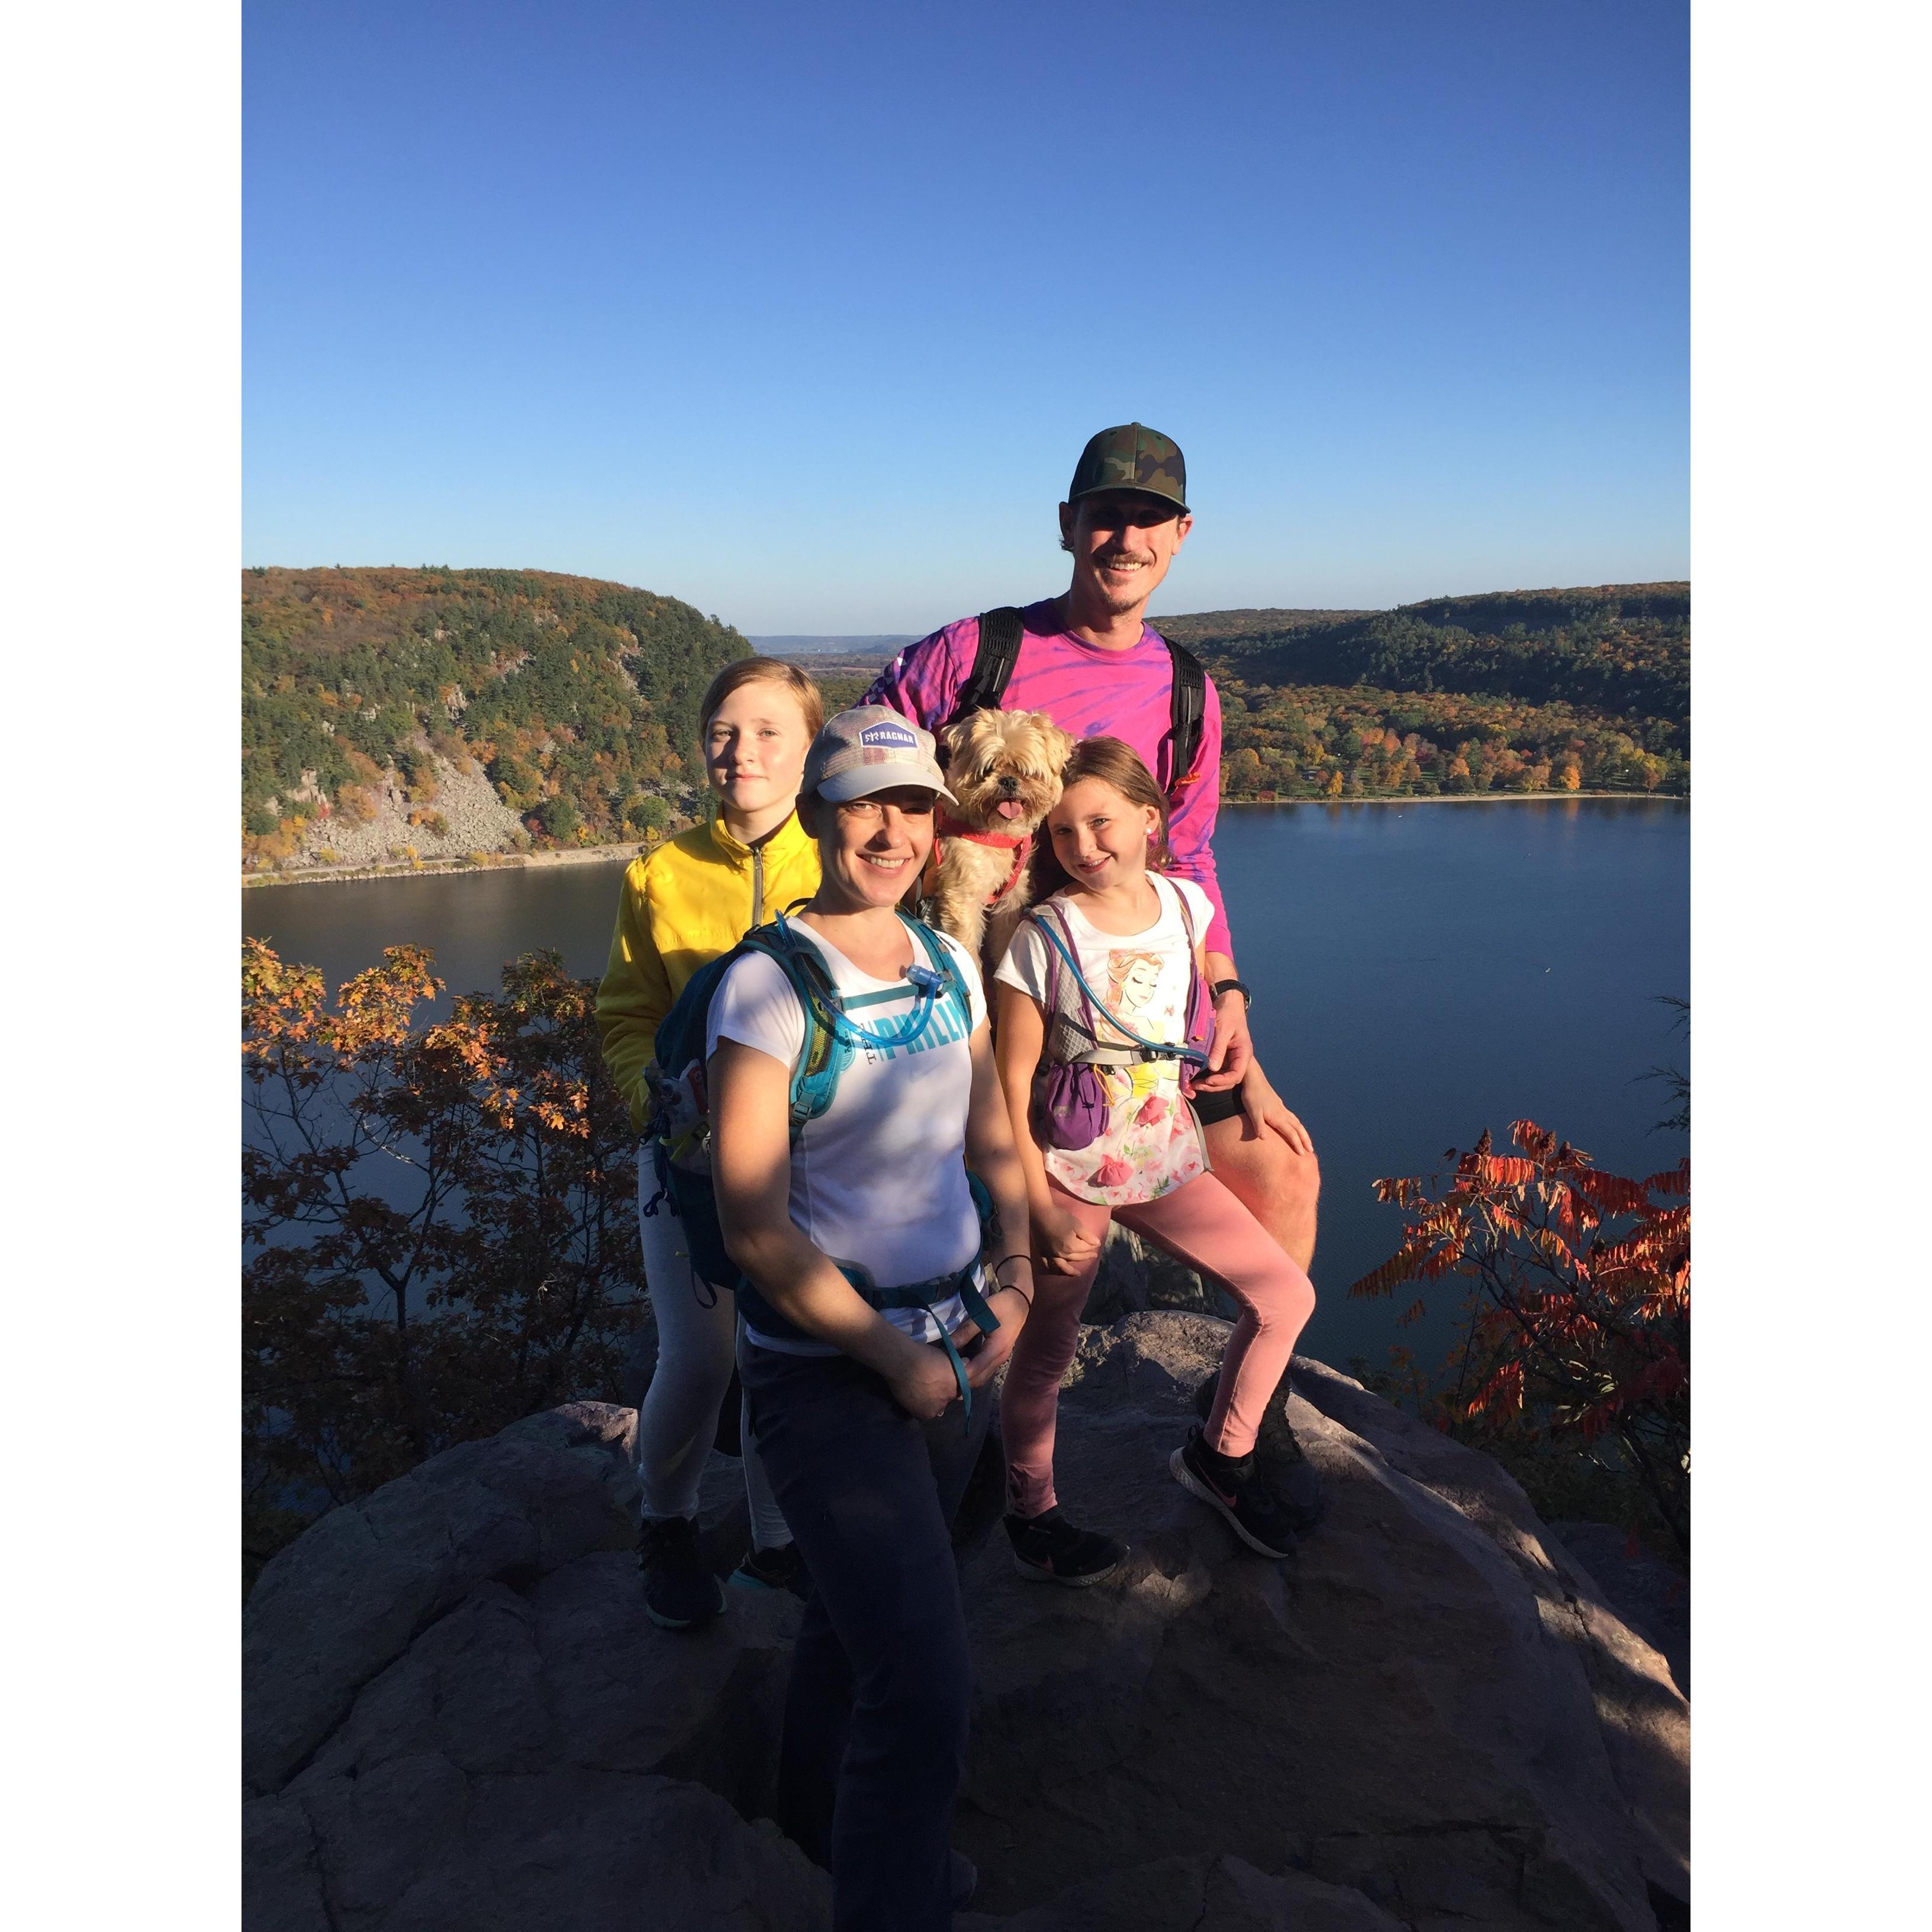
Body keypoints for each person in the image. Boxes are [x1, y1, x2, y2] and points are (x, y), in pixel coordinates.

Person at [707, 706, 1035, 1931]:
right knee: (926, 1685)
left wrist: (1012, 1268)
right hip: (831, 1377)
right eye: (864, 804)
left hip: (955, 1355)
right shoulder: (768, 987)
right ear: (819, 816)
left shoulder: (947, 965)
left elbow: (989, 1134)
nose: (891, 831)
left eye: (913, 807)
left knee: (860, 1629)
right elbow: (753, 1230)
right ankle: (896, 1899)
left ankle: (810, 1834)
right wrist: (892, 1358)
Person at [864, 421, 1321, 1290]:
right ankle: (995, 1410)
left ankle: (1244, 1414)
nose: (1127, 539)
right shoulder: (975, 655)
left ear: (1181, 535)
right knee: (1022, 1248)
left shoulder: (1187, 692)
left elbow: (1188, 858)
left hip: (1132, 1017)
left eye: (1151, 519)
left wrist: (1228, 997)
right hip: (987, 1016)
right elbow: (861, 759)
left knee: (1283, 1172)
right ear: (1068, 523)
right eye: (1108, 515)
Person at [993, 738, 1318, 1566]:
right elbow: (1009, 1081)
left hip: (1164, 1157)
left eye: (1101, 823)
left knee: (1284, 1297)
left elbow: (1210, 977)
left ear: (1149, 817)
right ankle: (1030, 1510)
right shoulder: (1043, 932)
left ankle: (1222, 1456)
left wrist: (1256, 1067)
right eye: (1062, 833)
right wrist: (1033, 1205)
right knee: (1049, 1347)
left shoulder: (1185, 906)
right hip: (1070, 1168)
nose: (1084, 847)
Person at [594, 656, 824, 1629]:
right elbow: (623, 1017)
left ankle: (777, 1547)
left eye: (769, 731)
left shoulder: (848, 853)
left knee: (790, 1351)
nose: (743, 753)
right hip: (685, 1156)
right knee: (701, 1358)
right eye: (725, 732)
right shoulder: (663, 871)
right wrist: (655, 1088)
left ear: (812, 746)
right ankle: (669, 1521)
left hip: (815, 1159)